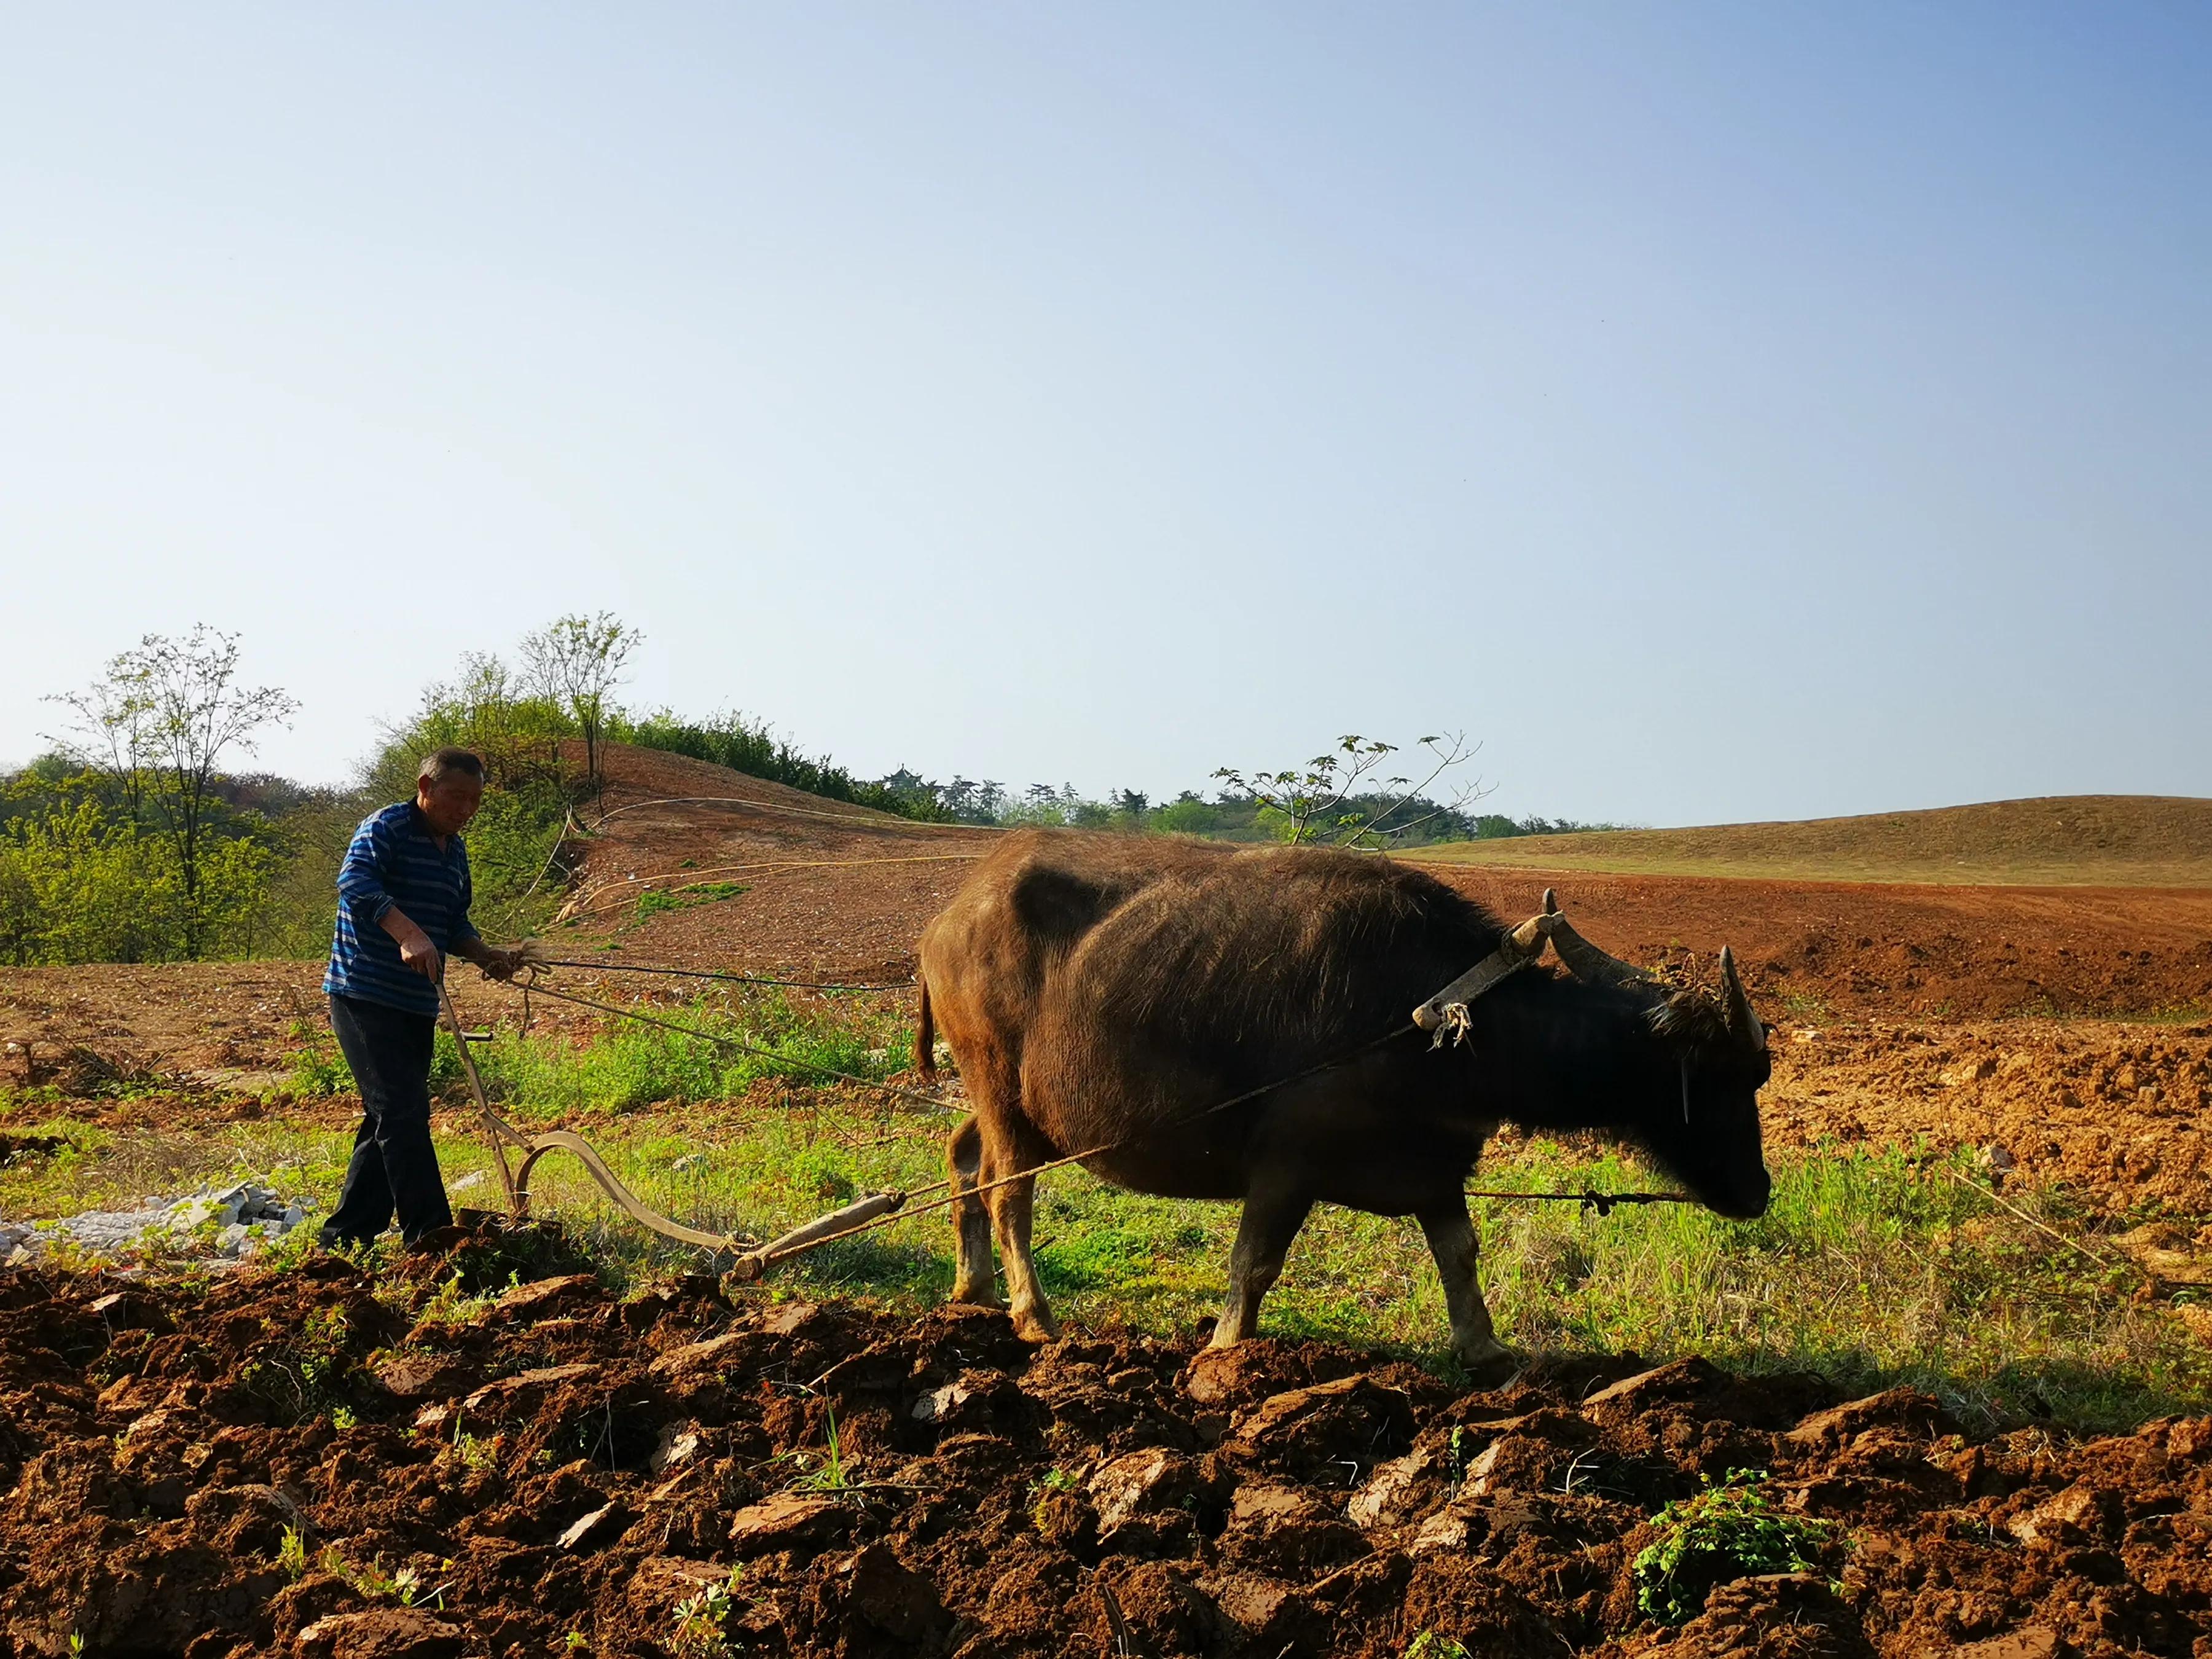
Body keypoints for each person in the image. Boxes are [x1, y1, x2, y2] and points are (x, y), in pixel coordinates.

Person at [318, 747, 523, 1250]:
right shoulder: (385, 827)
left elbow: (453, 922)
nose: (466, 810)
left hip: (415, 1002)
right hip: (364, 994)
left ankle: (346, 1237)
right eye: (457, 797)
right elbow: (355, 882)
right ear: (426, 788)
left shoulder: (454, 852)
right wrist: (407, 932)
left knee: (389, 1114)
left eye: (475, 801)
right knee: (402, 1111)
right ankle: (431, 1235)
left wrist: (485, 955)